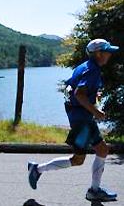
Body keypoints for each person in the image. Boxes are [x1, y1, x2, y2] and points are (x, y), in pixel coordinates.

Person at [28, 39, 119, 201]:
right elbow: (78, 94)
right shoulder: (92, 70)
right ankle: (37, 169)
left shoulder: (83, 67)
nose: (110, 55)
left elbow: (72, 89)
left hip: (81, 118)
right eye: (107, 51)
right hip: (82, 120)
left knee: (93, 153)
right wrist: (95, 111)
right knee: (82, 158)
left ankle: (93, 190)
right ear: (99, 53)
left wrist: (94, 98)